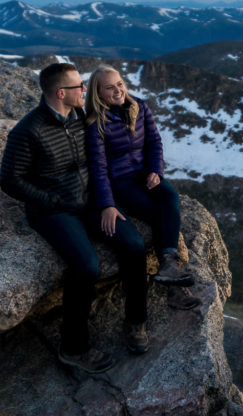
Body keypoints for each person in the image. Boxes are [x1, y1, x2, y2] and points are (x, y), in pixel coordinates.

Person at [0, 62, 148, 373]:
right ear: (60, 93)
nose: (85, 90)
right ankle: (73, 347)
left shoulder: (81, 116)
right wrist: (50, 199)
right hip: (54, 211)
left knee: (134, 245)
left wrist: (107, 201)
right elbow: (10, 180)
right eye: (79, 86)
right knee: (86, 265)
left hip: (92, 202)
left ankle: (136, 322)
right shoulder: (28, 131)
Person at [84, 64, 201, 312]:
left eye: (120, 84)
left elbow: (154, 142)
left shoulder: (139, 107)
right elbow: (98, 168)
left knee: (170, 197)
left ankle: (169, 262)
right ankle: (175, 290)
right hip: (121, 181)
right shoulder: (96, 123)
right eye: (109, 87)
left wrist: (155, 170)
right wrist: (107, 203)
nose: (117, 90)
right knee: (156, 214)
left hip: (144, 174)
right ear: (98, 93)